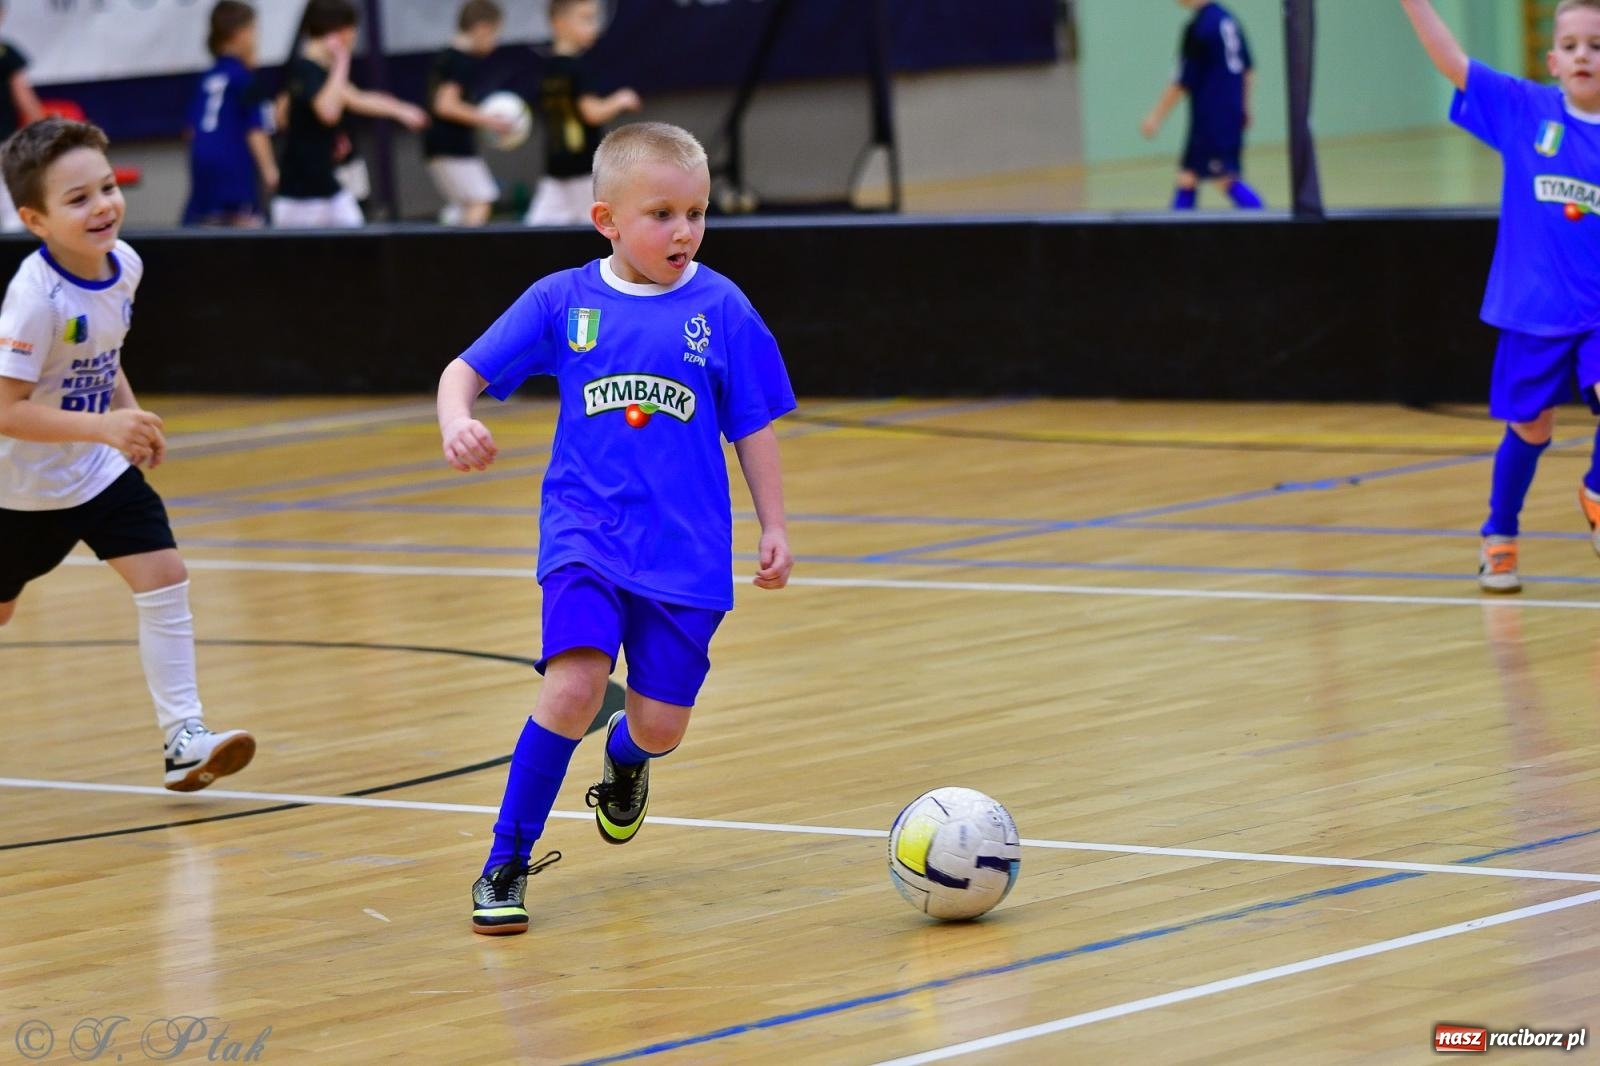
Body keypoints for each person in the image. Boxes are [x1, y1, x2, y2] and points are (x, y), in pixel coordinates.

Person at [437, 122, 796, 934]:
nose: (685, 231)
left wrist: (775, 525)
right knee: (572, 686)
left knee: (659, 724)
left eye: (697, 212)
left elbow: (755, 427)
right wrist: (455, 418)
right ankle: (506, 857)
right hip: (585, 534)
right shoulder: (563, 301)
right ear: (606, 219)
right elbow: (463, 370)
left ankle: (628, 760)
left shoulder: (723, 307)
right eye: (662, 213)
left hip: (687, 553)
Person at [0, 118, 255, 791]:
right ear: (35, 218)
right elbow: (6, 411)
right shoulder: (33, 300)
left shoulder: (126, 265)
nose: (103, 205)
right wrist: (106, 430)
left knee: (164, 573)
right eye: (77, 199)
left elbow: (103, 356)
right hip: (17, 490)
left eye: (107, 187)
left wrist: (128, 417)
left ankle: (184, 739)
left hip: (95, 472)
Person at [1400, 0, 1600, 593]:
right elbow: (1452, 61)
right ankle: (1499, 533)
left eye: (1596, 44)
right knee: (1531, 429)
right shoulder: (1523, 110)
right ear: (1552, 61)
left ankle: (1596, 490)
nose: (1583, 54)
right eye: (1570, 46)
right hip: (1534, 311)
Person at [273, 0, 428, 228]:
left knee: (357, 243)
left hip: (325, 188)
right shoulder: (306, 70)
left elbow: (356, 98)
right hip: (300, 196)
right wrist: (342, 60)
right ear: (342, 31)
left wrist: (401, 110)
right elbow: (328, 112)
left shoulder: (319, 74)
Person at [524, 0, 641, 226]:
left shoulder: (547, 68)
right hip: (582, 170)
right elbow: (592, 113)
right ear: (559, 23)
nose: (594, 26)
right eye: (585, 18)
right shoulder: (577, 69)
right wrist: (620, 100)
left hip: (557, 168)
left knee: (536, 231)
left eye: (594, 18)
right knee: (598, 230)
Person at [1140, 0, 1263, 210]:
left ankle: (1266, 225)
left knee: (1224, 177)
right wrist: (1244, 106)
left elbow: (1181, 81)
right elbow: (1248, 69)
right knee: (1188, 177)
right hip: (1228, 112)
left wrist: (1156, 116)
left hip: (1211, 118)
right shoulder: (1228, 20)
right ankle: (1176, 238)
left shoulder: (1199, 28)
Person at [183, 0, 278, 228]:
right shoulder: (244, 79)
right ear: (241, 34)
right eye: (253, 31)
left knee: (205, 227)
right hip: (233, 166)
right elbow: (255, 128)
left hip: (202, 165)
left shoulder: (207, 78)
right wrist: (269, 170)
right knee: (246, 229)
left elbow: (190, 131)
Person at [424, 0, 517, 226]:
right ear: (482, 27)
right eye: (495, 34)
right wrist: (489, 120)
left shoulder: (448, 55)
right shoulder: (460, 61)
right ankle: (464, 259)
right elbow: (445, 105)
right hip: (450, 146)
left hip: (441, 146)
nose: (495, 42)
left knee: (462, 207)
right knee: (481, 199)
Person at [0, 1, 44, 233]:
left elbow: (23, 94)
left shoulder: (7, 53)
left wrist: (44, 130)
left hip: (4, 141)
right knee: (9, 209)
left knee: (9, 207)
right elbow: (22, 94)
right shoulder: (6, 52)